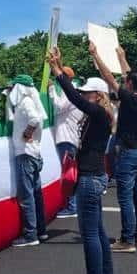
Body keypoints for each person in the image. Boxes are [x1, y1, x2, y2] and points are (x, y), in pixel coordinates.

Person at [48, 48, 118, 274]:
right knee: (98, 231)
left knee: (89, 234)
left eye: (88, 91)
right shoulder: (101, 115)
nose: (83, 94)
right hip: (95, 175)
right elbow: (76, 98)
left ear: (97, 95)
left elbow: (73, 98)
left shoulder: (99, 114)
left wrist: (58, 71)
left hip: (89, 178)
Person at [90, 42, 137, 252]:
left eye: (127, 81)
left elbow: (109, 77)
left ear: (130, 85)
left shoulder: (128, 98)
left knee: (125, 198)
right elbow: (128, 75)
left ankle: (127, 240)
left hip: (128, 154)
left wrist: (96, 55)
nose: (124, 81)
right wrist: (122, 57)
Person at [4, 74, 48, 245]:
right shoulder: (33, 100)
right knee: (36, 195)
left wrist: (26, 133)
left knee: (27, 196)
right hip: (35, 153)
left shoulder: (24, 102)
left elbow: (34, 119)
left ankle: (30, 235)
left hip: (25, 154)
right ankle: (41, 230)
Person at [51, 66, 85, 218]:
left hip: (66, 138)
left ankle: (72, 206)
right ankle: (73, 204)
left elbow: (58, 107)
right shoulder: (74, 92)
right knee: (71, 173)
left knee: (68, 175)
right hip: (71, 138)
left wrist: (51, 91)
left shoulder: (71, 93)